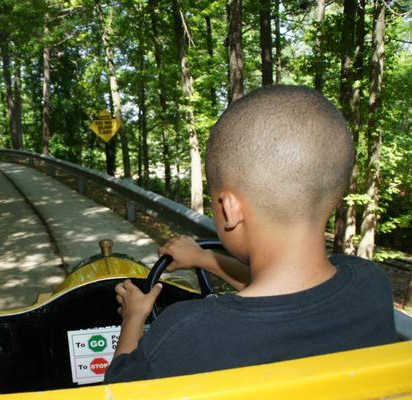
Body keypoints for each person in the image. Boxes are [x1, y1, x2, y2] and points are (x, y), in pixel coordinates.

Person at [104, 85, 398, 383]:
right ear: (335, 192)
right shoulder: (370, 285)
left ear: (229, 209)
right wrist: (204, 259)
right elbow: (285, 295)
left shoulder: (188, 333)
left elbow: (117, 386)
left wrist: (133, 318)